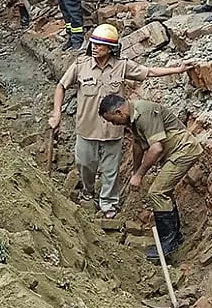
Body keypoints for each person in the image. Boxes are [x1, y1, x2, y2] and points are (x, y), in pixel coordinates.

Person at [47, 25, 190, 219]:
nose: (95, 47)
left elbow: (148, 72)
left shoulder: (122, 66)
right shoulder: (81, 65)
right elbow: (61, 86)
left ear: (110, 48)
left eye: (100, 45)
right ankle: (88, 191)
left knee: (110, 170)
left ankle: (108, 203)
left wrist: (178, 69)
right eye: (93, 44)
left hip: (112, 131)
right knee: (85, 164)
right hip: (87, 128)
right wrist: (57, 113)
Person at [98, 95, 203, 261]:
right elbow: (138, 145)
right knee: (164, 192)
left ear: (118, 112)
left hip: (184, 150)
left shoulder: (144, 113)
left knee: (157, 193)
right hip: (174, 153)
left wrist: (140, 175)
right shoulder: (132, 117)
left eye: (112, 120)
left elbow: (156, 148)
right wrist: (135, 172)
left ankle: (168, 243)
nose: (113, 124)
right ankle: (175, 237)